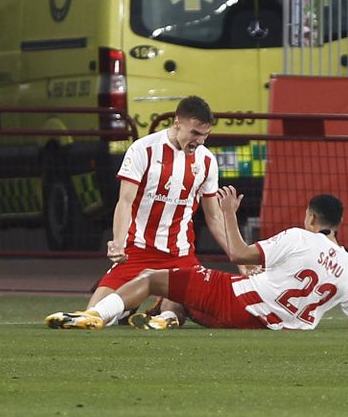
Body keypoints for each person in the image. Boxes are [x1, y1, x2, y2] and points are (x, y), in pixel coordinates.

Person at [46, 187, 348, 331]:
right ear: (338, 225)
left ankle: (93, 316)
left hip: (236, 300)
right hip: (266, 326)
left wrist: (228, 213)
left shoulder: (299, 236)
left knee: (153, 276)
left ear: (311, 218)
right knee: (183, 286)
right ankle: (166, 319)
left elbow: (240, 253)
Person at [73, 95, 230, 324]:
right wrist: (118, 242)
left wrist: (239, 256)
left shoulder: (207, 161)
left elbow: (214, 217)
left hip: (180, 254)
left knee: (182, 301)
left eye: (205, 135)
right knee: (95, 312)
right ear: (177, 123)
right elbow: (124, 202)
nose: (200, 141)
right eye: (195, 133)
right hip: (137, 252)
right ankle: (131, 306)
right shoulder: (143, 149)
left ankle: (163, 317)